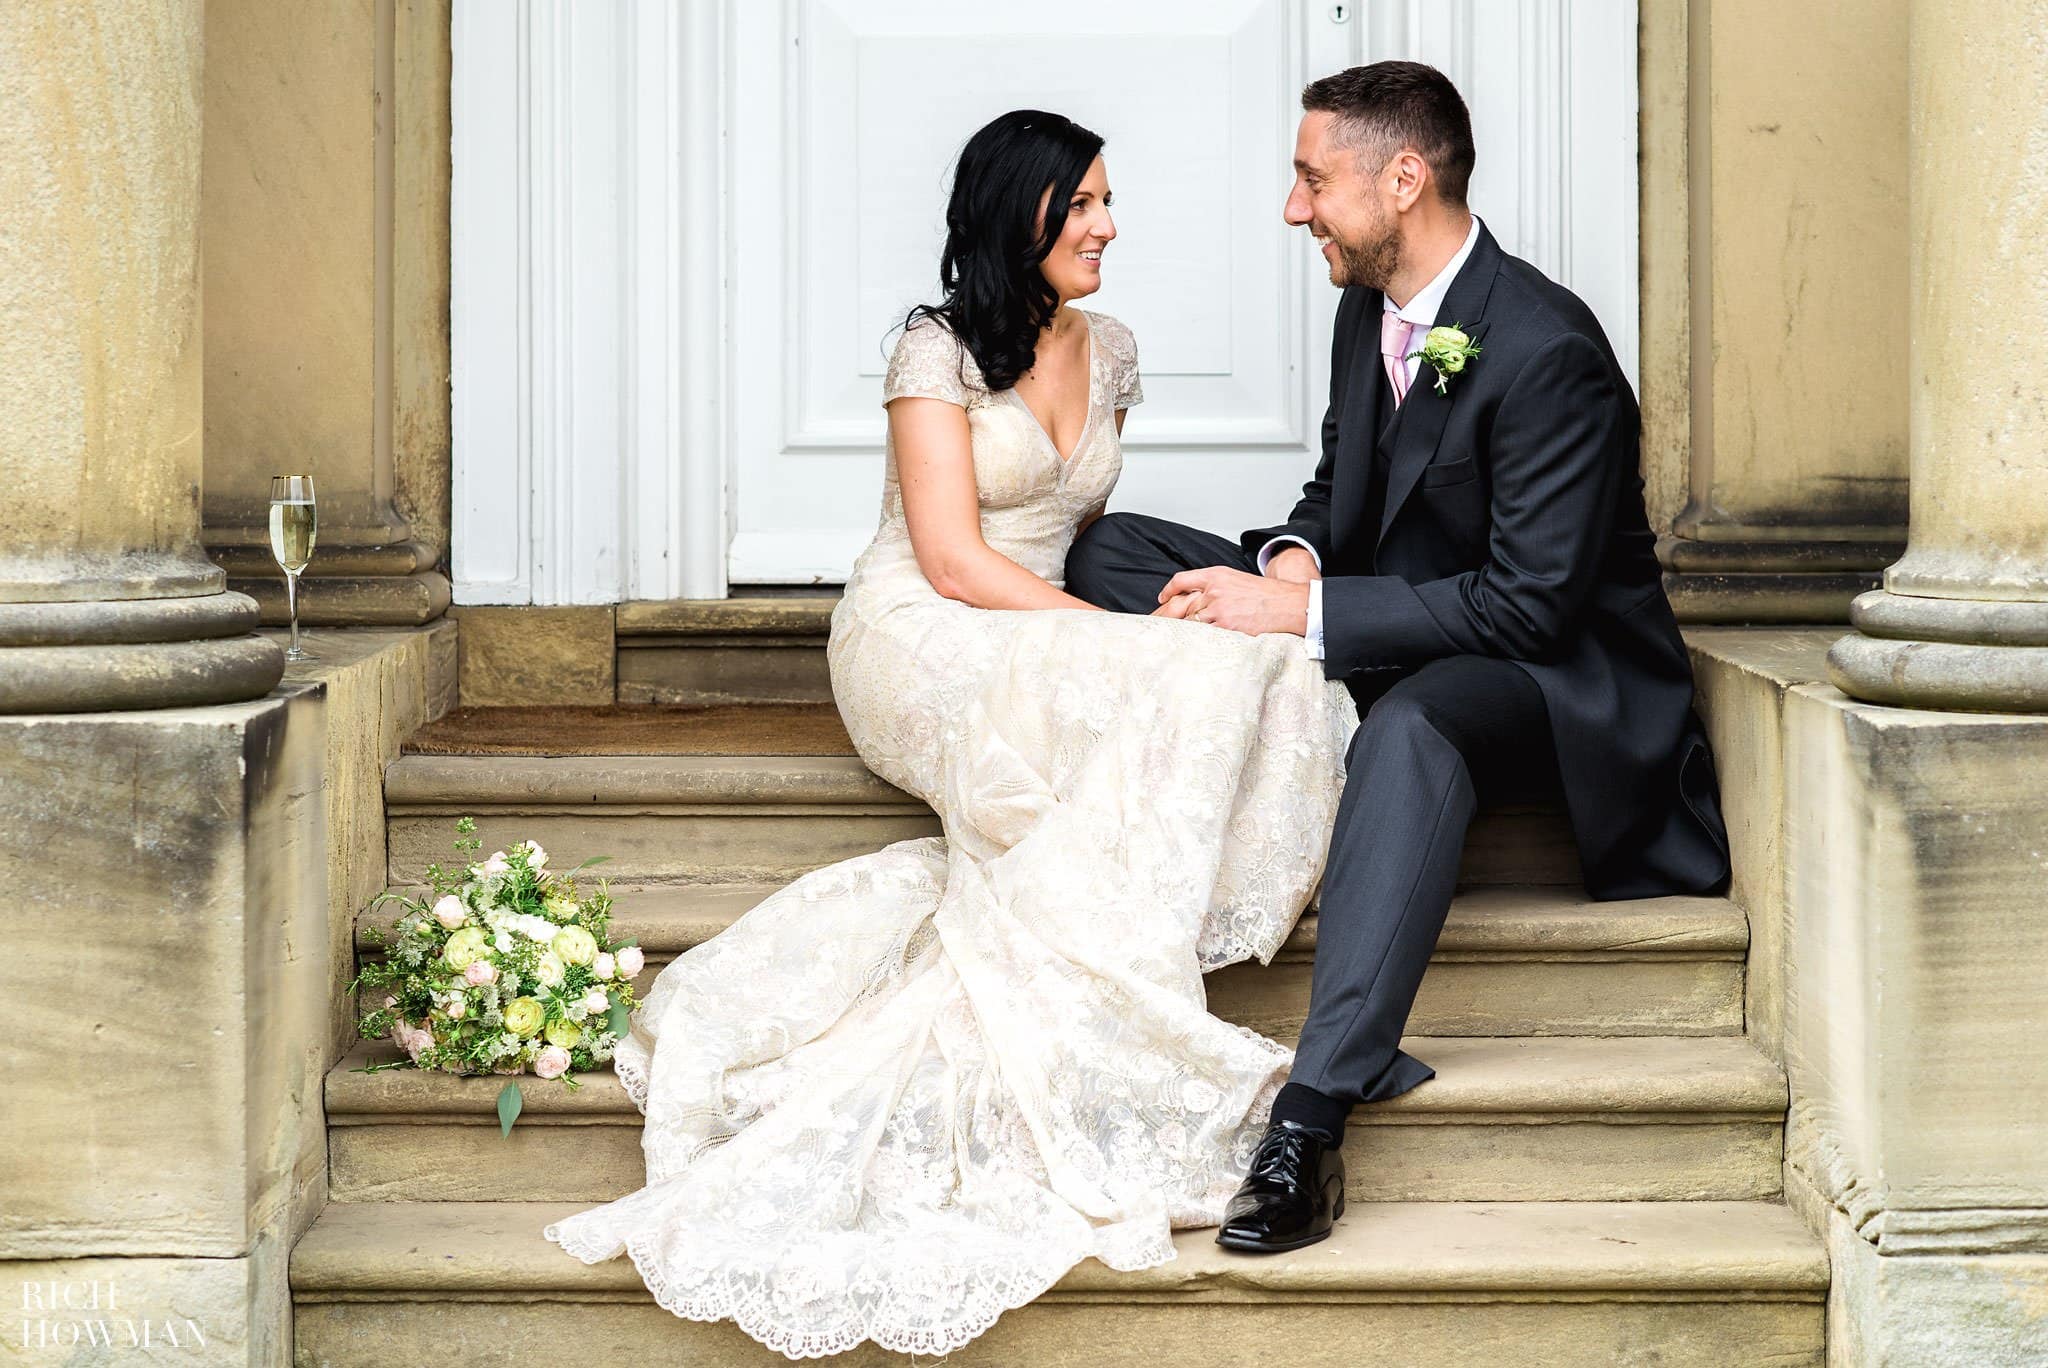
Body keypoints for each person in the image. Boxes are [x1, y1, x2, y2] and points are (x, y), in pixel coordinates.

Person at [544, 109, 1357, 1359]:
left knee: (1256, 669)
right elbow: (949, 554)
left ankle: (1137, 924)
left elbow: (1073, 517)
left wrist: (1122, 630)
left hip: (1034, 614)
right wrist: (1106, 635)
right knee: (1156, 672)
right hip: (919, 625)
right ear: (1015, 213)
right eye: (1081, 202)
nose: (1106, 223)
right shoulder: (932, 352)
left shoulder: (1113, 345)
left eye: (1104, 199)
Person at [1066, 61, 1733, 1256]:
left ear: (1403, 178)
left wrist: (1299, 624)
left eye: (1310, 179)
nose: (1292, 208)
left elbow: (1528, 609)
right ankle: (1261, 734)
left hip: (1544, 682)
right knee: (1114, 551)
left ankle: (1311, 1122)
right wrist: (1286, 569)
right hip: (1391, 627)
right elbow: (1337, 496)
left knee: (1414, 723)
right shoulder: (1363, 308)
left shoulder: (1545, 350)